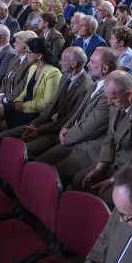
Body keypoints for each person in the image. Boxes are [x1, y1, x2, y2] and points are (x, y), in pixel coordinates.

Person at [74, 70, 132, 206]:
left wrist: (113, 180)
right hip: (115, 162)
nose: (109, 102)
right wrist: (100, 167)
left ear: (129, 94)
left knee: (104, 199)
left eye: (113, 98)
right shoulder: (117, 100)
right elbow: (110, 136)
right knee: (80, 180)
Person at [35, 47, 117, 186]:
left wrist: (66, 136)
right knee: (36, 166)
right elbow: (77, 113)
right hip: (73, 137)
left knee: (46, 177)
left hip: (87, 147)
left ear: (104, 69)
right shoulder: (96, 84)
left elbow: (89, 128)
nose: (88, 65)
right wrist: (65, 126)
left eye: (92, 62)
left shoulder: (109, 93)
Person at [0, 47, 93, 160]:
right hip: (45, 123)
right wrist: (34, 125)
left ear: (73, 63)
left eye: (63, 60)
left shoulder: (86, 87)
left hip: (57, 131)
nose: (60, 62)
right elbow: (51, 106)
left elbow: (69, 118)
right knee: (1, 137)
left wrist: (39, 130)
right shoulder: (65, 76)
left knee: (22, 152)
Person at [3, 38, 62, 130]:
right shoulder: (33, 67)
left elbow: (47, 103)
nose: (26, 54)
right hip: (21, 106)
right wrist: (17, 101)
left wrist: (24, 106)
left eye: (29, 52)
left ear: (39, 56)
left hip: (35, 113)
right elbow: (25, 90)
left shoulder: (53, 73)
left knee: (0, 124)